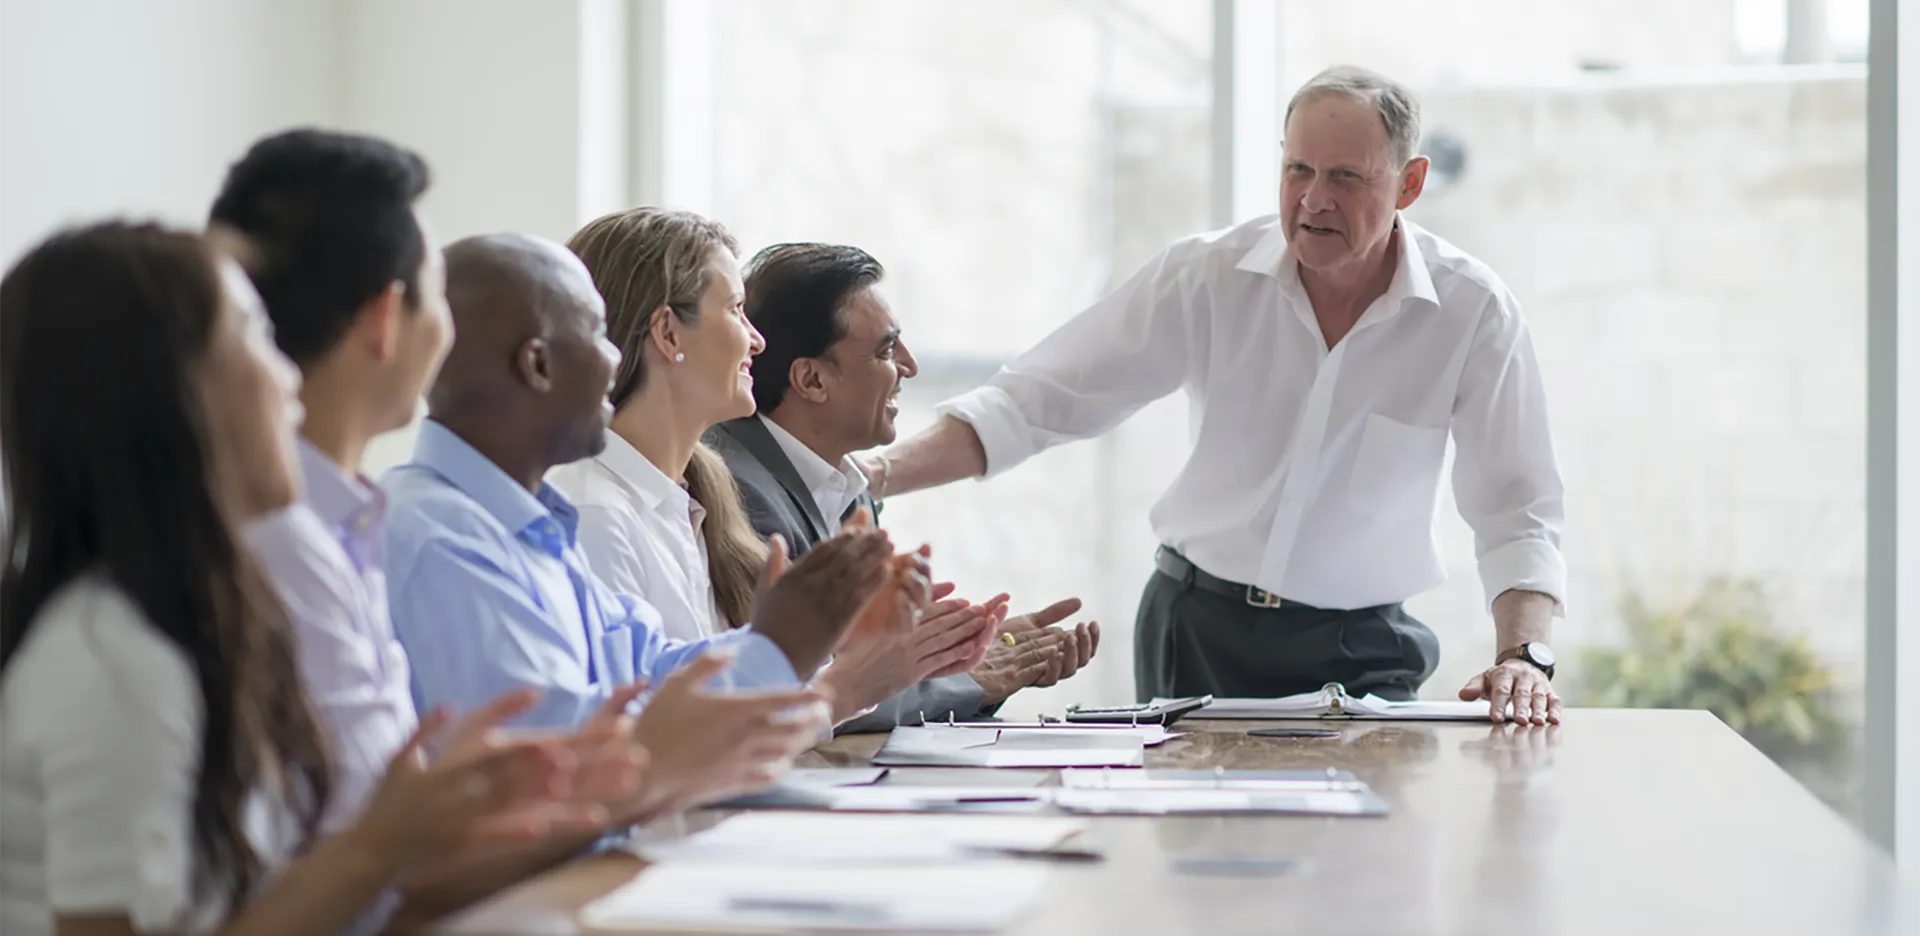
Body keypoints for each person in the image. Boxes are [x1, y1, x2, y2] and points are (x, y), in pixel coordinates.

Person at [205, 129, 806, 927]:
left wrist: (792, 643)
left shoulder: (415, 522)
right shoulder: (410, 536)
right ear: (392, 320)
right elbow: (530, 798)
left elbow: (644, 675)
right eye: (431, 297)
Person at [857, 65, 1567, 725]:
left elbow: (1519, 512)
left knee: (1371, 858)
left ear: (1409, 184)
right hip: (1195, 628)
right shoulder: (1207, 276)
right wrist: (870, 476)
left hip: (1364, 650)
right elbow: (1033, 402)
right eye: (1298, 170)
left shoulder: (1472, 312)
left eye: (1346, 178)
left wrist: (1524, 659)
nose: (1314, 200)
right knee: (1190, 857)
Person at [0, 221, 612, 936]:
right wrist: (380, 844)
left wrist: (447, 823)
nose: (291, 377)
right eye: (254, 339)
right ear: (176, 394)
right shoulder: (115, 656)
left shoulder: (223, 608)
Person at [381, 231, 920, 739]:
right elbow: (565, 755)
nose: (617, 356)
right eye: (596, 333)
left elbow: (655, 668)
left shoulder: (531, 523)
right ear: (538, 364)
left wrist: (811, 631)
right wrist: (802, 661)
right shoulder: (449, 538)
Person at [553, 208, 994, 731]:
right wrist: (847, 675)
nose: (756, 342)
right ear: (669, 334)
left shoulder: (687, 499)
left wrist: (835, 638)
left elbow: (717, 700)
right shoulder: (596, 514)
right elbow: (664, 739)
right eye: (736, 311)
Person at [711, 241, 1102, 723]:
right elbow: (802, 693)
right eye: (887, 350)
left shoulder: (846, 483)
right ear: (811, 380)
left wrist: (960, 653)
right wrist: (966, 680)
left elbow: (859, 667)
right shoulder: (739, 492)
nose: (909, 367)